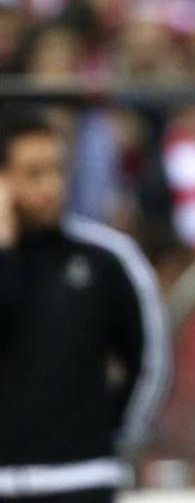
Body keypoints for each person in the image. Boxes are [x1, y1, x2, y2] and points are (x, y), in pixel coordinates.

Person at [0, 108, 170, 502]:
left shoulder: (106, 258)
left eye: (57, 170)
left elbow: (149, 361)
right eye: (34, 172)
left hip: (83, 478)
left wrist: (113, 439)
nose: (52, 186)